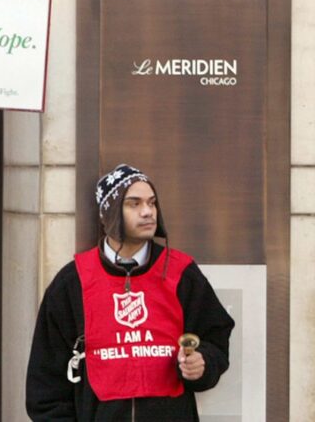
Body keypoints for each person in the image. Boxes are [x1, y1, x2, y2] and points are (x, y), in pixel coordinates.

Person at [26, 164, 235, 421]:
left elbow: (216, 339)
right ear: (109, 214)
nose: (147, 212)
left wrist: (203, 363)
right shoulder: (72, 283)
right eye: (134, 204)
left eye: (152, 203)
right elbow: (45, 386)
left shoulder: (182, 273)